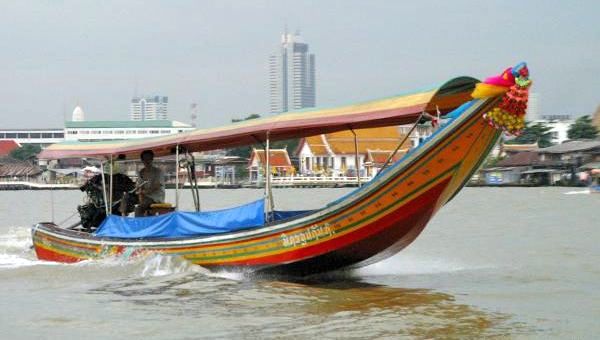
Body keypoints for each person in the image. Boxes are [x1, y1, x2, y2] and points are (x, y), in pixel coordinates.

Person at [135, 150, 165, 217]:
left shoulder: (158, 172)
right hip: (144, 197)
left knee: (139, 208)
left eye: (149, 159)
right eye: (145, 159)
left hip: (155, 198)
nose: (147, 161)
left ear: (152, 159)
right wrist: (139, 193)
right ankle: (123, 218)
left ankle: (138, 225)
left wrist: (144, 192)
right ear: (142, 160)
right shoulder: (141, 172)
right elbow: (139, 186)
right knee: (126, 198)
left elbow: (157, 185)